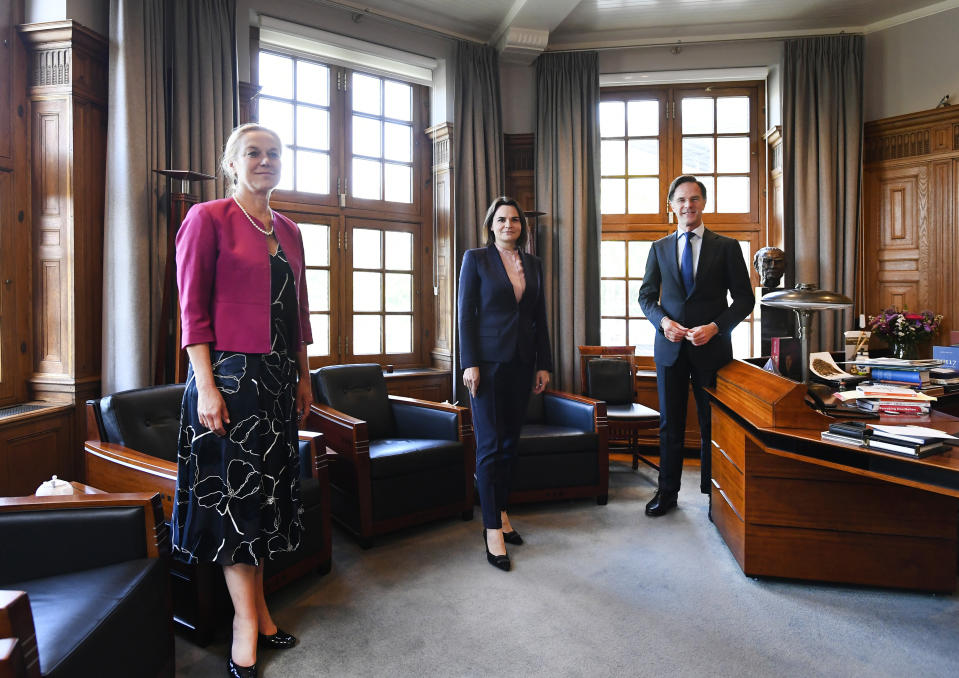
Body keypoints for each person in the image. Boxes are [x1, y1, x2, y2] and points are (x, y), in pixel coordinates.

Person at [172, 123, 313, 678]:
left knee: (266, 499)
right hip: (227, 380)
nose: (265, 161)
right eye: (253, 153)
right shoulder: (206, 218)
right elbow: (193, 313)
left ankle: (261, 611)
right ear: (232, 163)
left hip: (278, 382)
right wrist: (205, 385)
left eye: (274, 153)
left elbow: (299, 316)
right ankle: (244, 624)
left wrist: (304, 377)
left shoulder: (291, 231)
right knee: (237, 503)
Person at [638, 175, 753, 517]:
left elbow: (745, 299)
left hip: (712, 349)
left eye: (694, 199)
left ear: (704, 203)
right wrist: (664, 322)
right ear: (671, 206)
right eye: (681, 200)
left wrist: (716, 327)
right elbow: (645, 296)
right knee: (670, 424)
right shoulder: (658, 248)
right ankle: (667, 493)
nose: (688, 205)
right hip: (670, 350)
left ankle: (713, 493)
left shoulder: (727, 247)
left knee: (711, 424)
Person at [458, 196, 553, 571]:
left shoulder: (533, 263)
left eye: (514, 220)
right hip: (487, 365)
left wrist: (543, 364)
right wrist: (470, 363)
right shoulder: (476, 259)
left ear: (521, 226)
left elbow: (539, 318)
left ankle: (502, 512)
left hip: (522, 363)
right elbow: (465, 315)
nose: (508, 225)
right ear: (491, 224)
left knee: (511, 444)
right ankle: (491, 529)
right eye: (501, 219)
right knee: (490, 446)